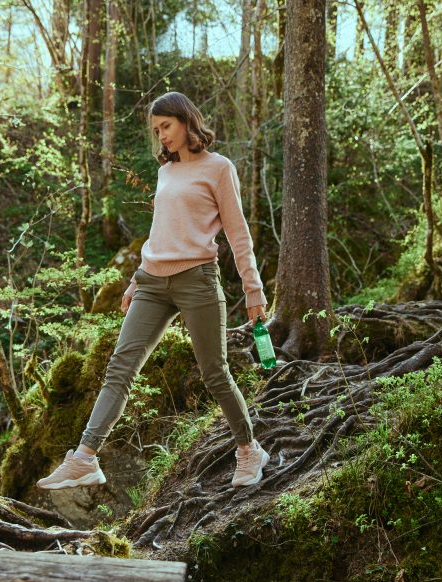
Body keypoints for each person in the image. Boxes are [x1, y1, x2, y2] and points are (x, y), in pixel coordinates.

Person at [37, 91, 271, 491]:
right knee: (119, 368)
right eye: (155, 130)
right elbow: (161, 230)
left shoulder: (218, 168)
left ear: (186, 120)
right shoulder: (166, 172)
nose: (160, 136)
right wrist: (137, 277)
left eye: (166, 126)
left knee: (215, 373)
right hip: (151, 282)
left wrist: (253, 288)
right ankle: (85, 459)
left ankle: (249, 449)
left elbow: (238, 232)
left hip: (197, 279)